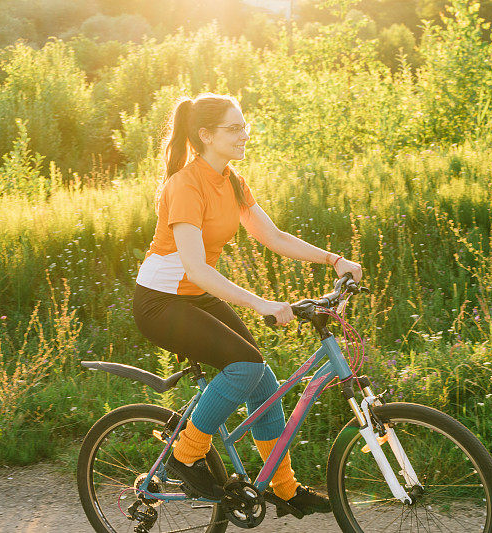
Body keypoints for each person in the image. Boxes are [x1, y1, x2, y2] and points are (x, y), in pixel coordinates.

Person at [132, 93, 363, 517]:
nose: (245, 134)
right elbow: (196, 268)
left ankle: (285, 489)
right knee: (245, 366)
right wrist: (262, 304)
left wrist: (334, 260)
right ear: (205, 135)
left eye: (245, 126)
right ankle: (186, 456)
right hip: (159, 303)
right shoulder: (184, 185)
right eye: (234, 128)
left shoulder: (232, 179)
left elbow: (273, 237)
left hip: (193, 296)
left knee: (263, 380)